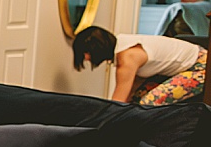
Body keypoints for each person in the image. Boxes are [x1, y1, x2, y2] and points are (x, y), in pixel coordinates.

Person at [71, 26, 207, 104]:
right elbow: (132, 89)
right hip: (192, 62)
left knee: (149, 102)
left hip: (202, 66)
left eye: (85, 54)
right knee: (136, 100)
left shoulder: (127, 57)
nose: (86, 59)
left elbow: (118, 101)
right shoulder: (123, 44)